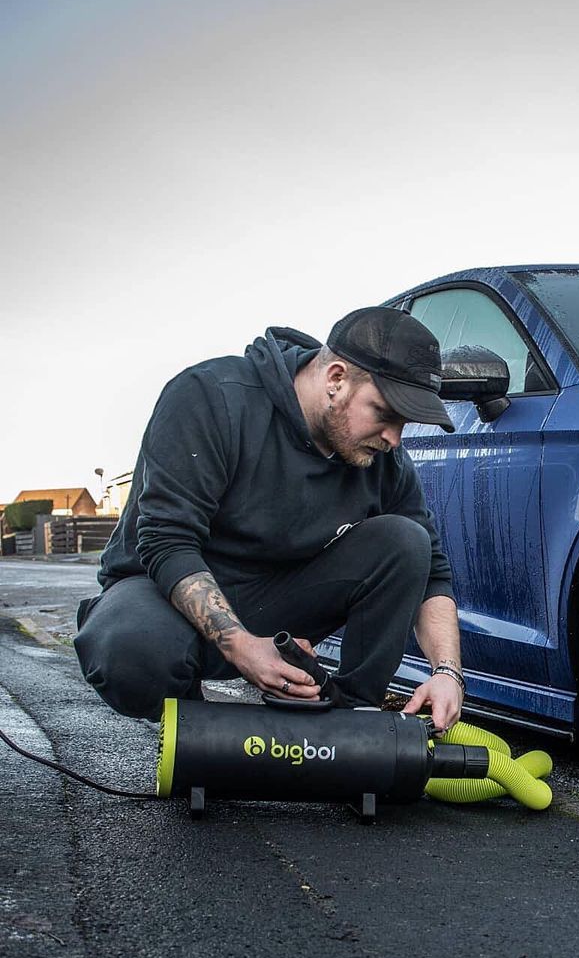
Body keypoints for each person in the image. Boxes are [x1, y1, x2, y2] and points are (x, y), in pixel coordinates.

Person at [74, 307, 465, 732]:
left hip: (275, 602)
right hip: (164, 595)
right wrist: (242, 646)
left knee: (406, 541)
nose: (394, 438)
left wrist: (448, 672)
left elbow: (432, 575)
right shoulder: (211, 396)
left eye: (404, 424)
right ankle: (194, 733)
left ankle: (349, 729)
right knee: (131, 653)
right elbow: (167, 540)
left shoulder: (383, 459)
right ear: (336, 379)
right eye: (385, 414)